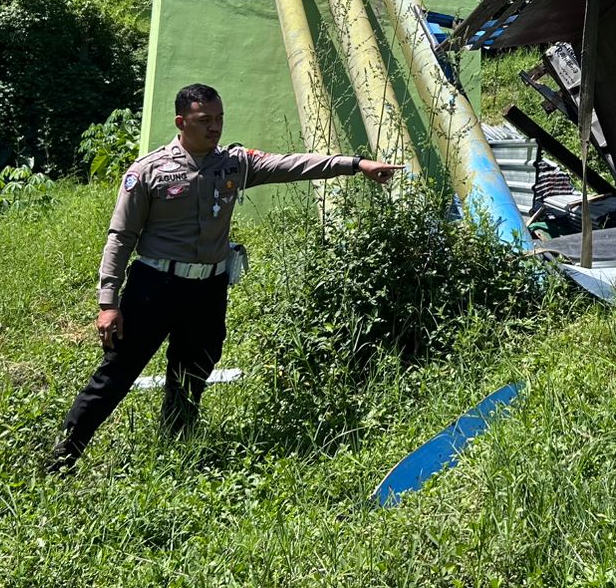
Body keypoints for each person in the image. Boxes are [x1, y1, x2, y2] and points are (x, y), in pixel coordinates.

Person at [47, 83, 402, 472]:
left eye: (219, 119)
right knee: (117, 374)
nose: (214, 128)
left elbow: (291, 165)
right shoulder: (148, 171)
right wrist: (108, 303)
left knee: (194, 368)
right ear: (182, 122)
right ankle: (62, 458)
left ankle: (175, 449)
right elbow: (121, 237)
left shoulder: (234, 163)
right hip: (155, 287)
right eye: (204, 121)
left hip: (208, 289)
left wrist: (354, 164)